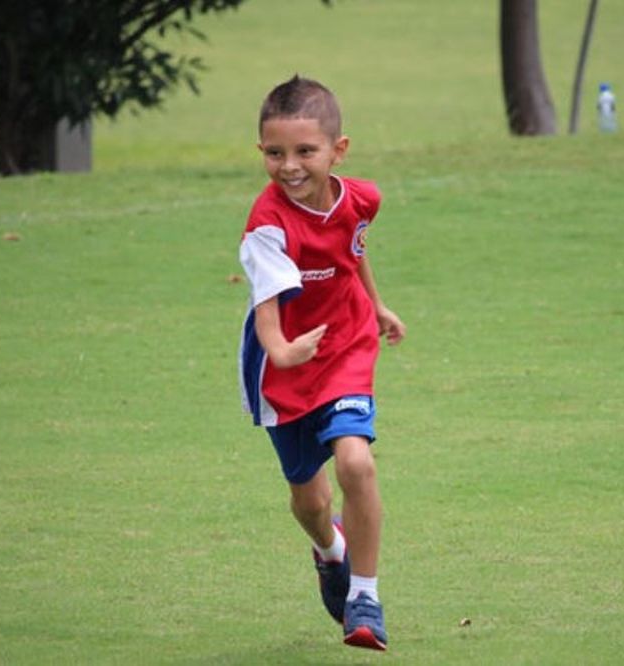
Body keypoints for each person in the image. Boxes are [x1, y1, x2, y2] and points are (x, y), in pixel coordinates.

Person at [237, 75, 406, 652]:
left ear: (338, 150)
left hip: (347, 346)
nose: (290, 166)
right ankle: (330, 550)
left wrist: (377, 305)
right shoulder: (266, 227)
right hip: (283, 363)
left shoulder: (362, 197)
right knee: (310, 501)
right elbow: (266, 308)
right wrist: (282, 352)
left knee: (356, 463)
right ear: (262, 151)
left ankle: (365, 595)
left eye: (305, 151)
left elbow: (352, 250)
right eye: (275, 153)